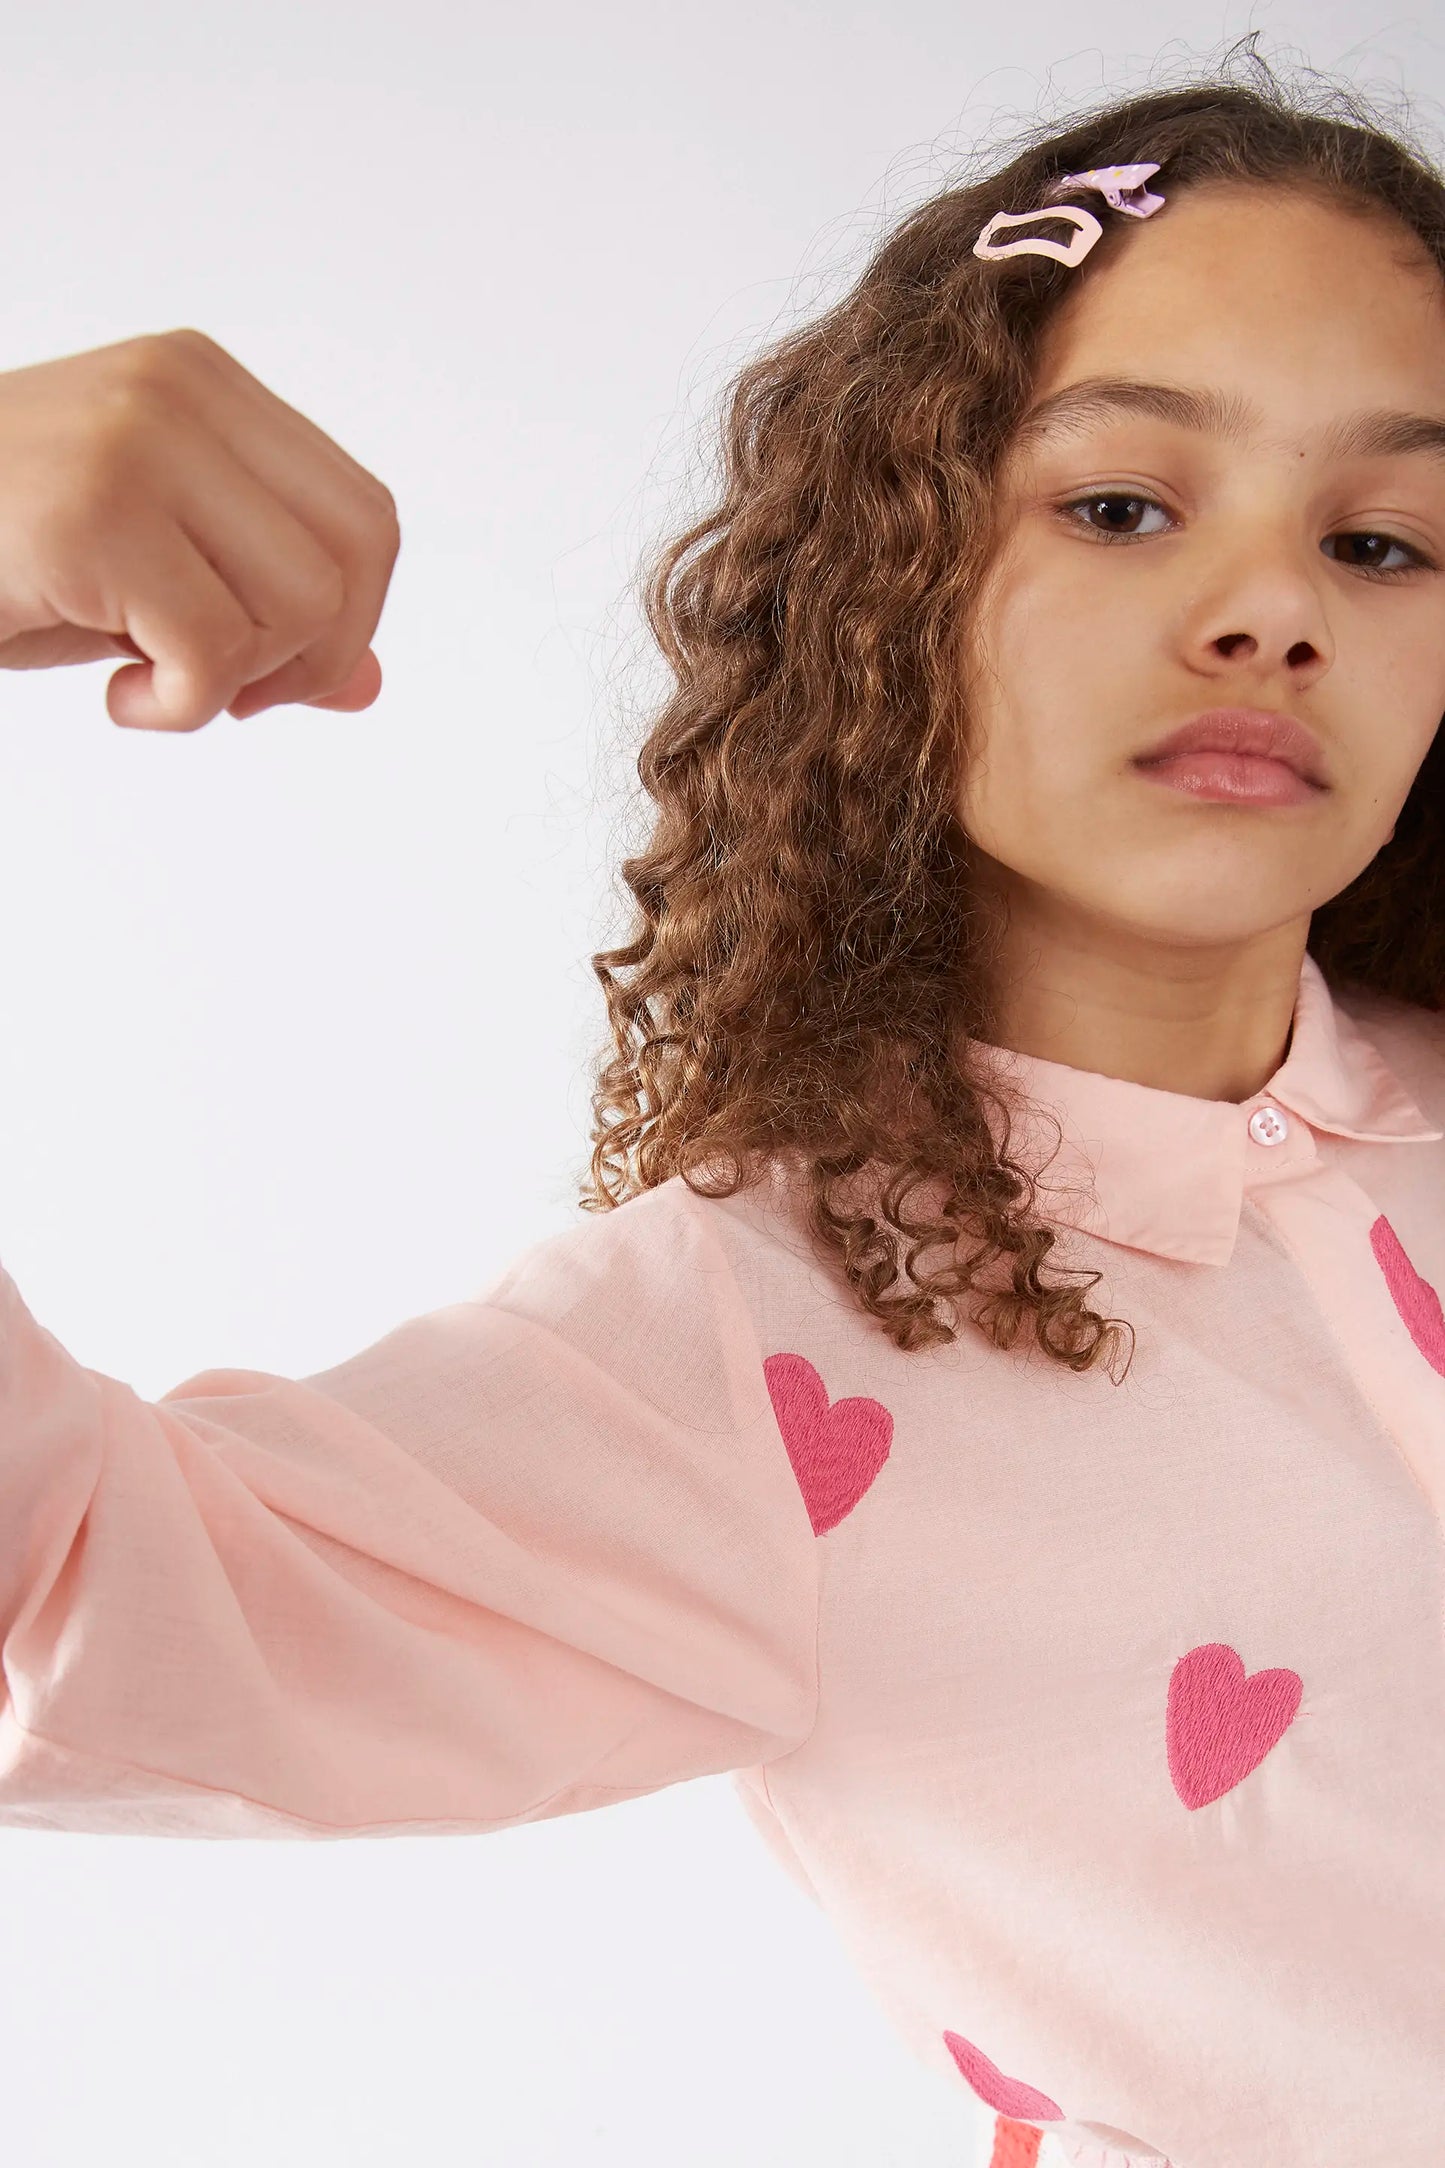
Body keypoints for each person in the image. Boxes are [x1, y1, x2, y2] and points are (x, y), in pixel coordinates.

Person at [3, 38, 1444, 2168]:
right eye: (1122, 504)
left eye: (1387, 541)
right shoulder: (745, 1358)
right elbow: (74, 1611)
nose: (1269, 613)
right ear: (897, 582)